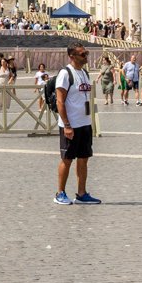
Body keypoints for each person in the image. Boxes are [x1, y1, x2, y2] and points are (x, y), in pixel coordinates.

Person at [52, 44, 99, 205]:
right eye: (82, 54)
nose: (86, 56)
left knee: (83, 158)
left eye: (86, 53)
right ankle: (60, 193)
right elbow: (60, 101)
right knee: (67, 159)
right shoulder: (65, 74)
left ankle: (81, 193)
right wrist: (66, 125)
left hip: (85, 123)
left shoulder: (84, 73)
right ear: (72, 56)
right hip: (70, 124)